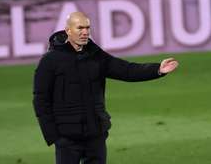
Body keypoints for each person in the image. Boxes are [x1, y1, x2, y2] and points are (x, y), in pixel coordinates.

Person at [33, 12, 178, 164]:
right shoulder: (50, 61)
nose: (85, 32)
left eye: (87, 28)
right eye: (80, 28)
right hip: (67, 137)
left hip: (96, 133)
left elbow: (126, 70)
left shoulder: (95, 55)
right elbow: (41, 99)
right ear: (68, 30)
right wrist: (54, 136)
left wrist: (157, 70)